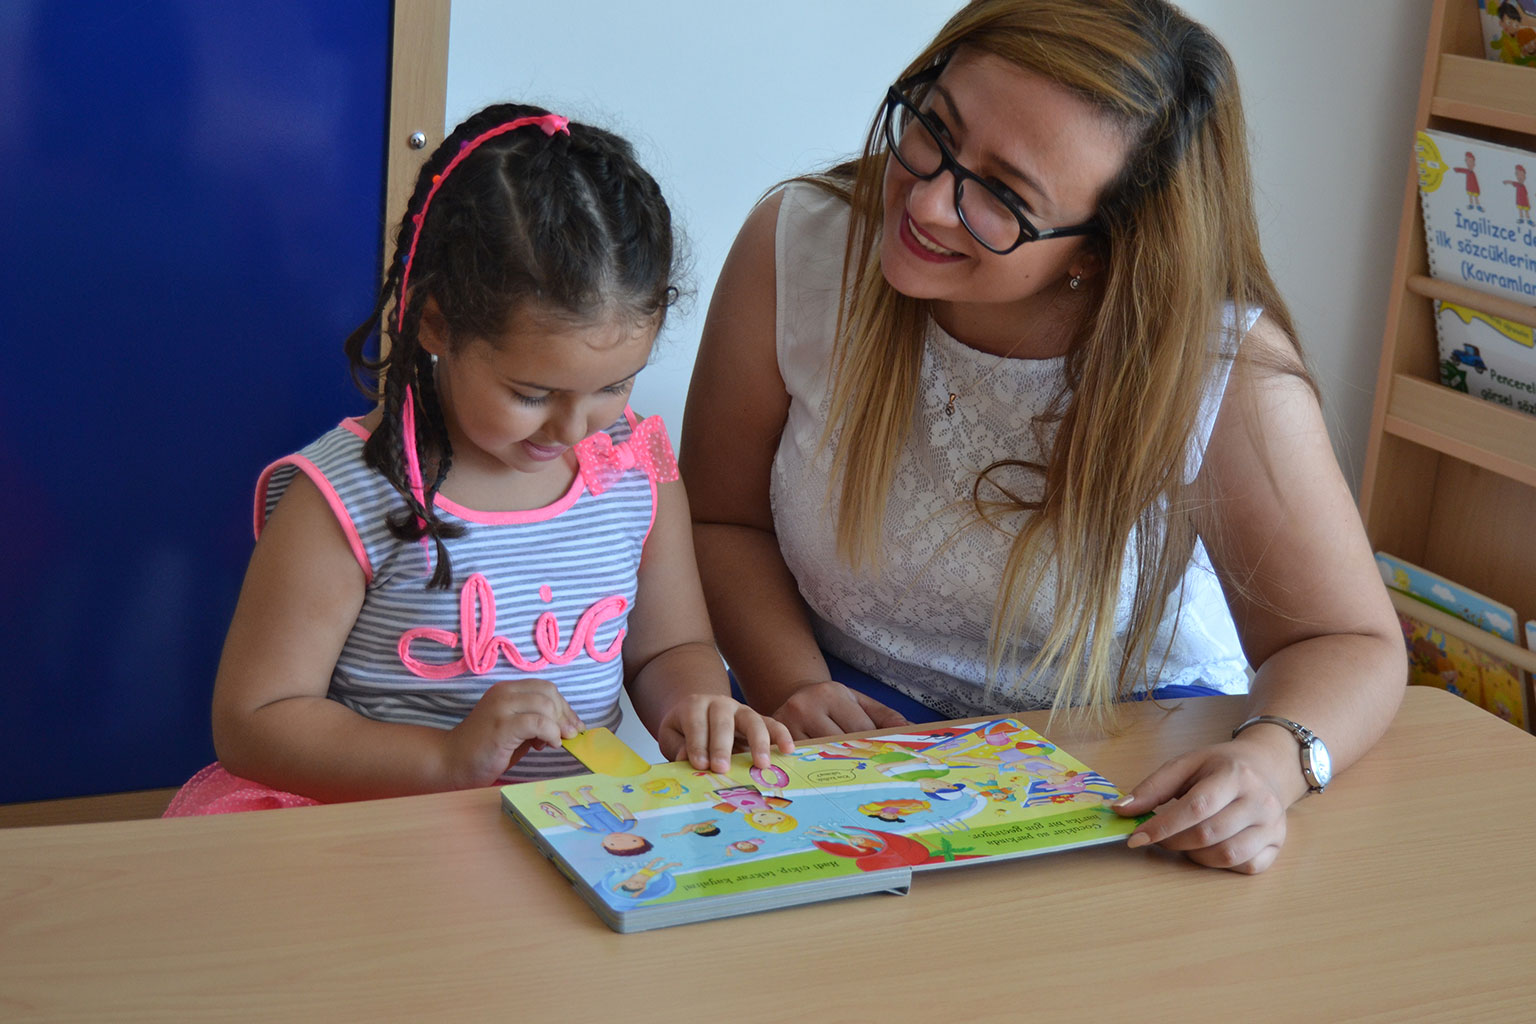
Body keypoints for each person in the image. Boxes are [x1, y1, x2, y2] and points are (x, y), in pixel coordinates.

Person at [681, 0, 1405, 873]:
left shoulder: (1218, 363)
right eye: (935, 127)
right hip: (839, 716)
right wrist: (793, 684)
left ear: (1098, 250)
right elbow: (720, 519)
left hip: (1127, 746)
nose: (928, 201)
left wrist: (1272, 762)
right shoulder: (801, 243)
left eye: (1003, 196)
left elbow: (1350, 642)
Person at [165, 103, 791, 816]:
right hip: (388, 830)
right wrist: (446, 759)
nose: (573, 427)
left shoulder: (632, 465)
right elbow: (254, 721)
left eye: (614, 386)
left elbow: (668, 648)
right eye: (532, 393)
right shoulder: (349, 495)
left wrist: (695, 704)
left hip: (578, 833)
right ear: (435, 321)